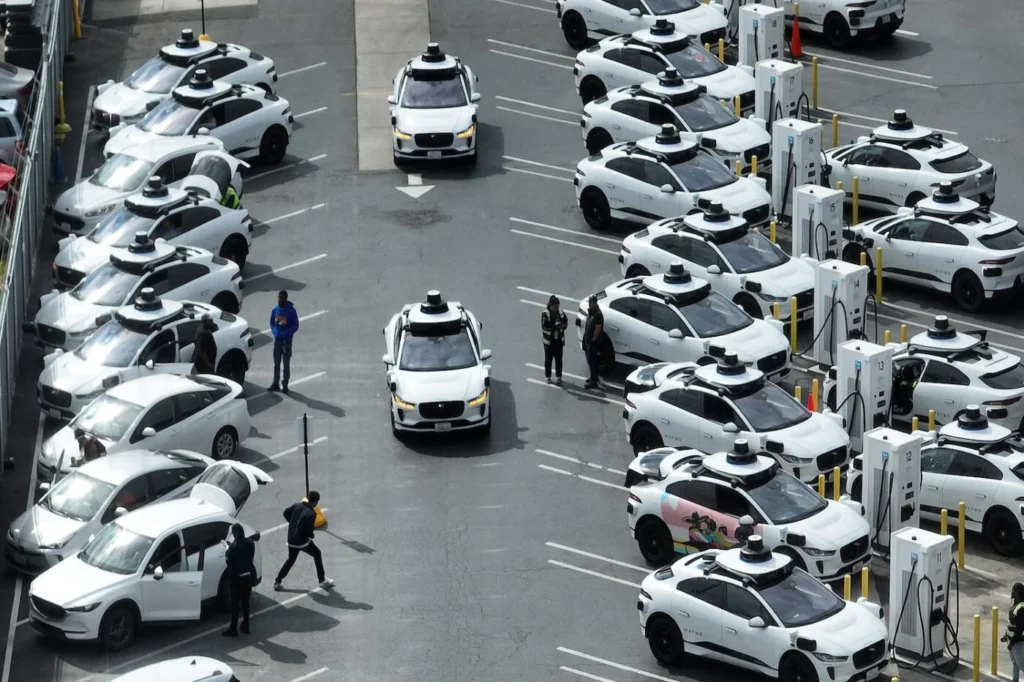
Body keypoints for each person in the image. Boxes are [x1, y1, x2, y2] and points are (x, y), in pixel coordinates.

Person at [274, 491, 334, 591]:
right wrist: (311, 535)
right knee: (317, 554)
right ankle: (322, 580)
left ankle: (277, 581)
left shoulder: (296, 505)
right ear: (315, 502)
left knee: (291, 560)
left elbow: (286, 513)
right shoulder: (311, 513)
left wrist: (293, 523)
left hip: (291, 539)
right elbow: (309, 529)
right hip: (302, 541)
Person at [222, 523, 255, 637]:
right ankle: (245, 624)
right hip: (247, 577)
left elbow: (229, 562)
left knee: (234, 604)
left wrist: (228, 549)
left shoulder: (233, 547)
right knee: (245, 602)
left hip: (236, 579)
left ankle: (233, 628)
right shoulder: (250, 543)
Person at [269, 290, 299, 393]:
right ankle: (275, 383)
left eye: (281, 298)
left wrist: (287, 334)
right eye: (278, 298)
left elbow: (295, 326)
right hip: (277, 341)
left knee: (286, 364)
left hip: (286, 342)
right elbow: (272, 322)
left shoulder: (291, 311)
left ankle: (285, 384)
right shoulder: (275, 310)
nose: (279, 300)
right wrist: (274, 331)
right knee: (276, 363)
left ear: (285, 299)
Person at [541, 295, 568, 384]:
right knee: (548, 360)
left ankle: (559, 376)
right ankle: (548, 376)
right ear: (551, 305)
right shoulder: (545, 314)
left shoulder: (560, 312)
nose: (557, 308)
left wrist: (562, 325)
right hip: (549, 342)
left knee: (559, 360)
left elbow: (566, 322)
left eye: (558, 306)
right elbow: (544, 327)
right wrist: (554, 326)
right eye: (555, 306)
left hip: (558, 341)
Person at [1003, 582, 1024, 682]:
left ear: (1018, 593)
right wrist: (1006, 636)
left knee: (1022, 665)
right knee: (1015, 663)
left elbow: (1019, 629)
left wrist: (1012, 643)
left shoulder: (1021, 608)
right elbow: (1011, 624)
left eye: (1013, 590)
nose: (1011, 592)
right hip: (1011, 641)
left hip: (1017, 643)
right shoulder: (1014, 604)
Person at [582, 295, 604, 390]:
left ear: (595, 303)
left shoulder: (597, 315)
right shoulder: (591, 312)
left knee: (592, 361)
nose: (590, 304)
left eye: (591, 302)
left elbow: (597, 330)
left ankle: (594, 381)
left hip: (593, 342)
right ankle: (593, 377)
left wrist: (591, 342)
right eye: (589, 302)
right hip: (588, 340)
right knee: (590, 360)